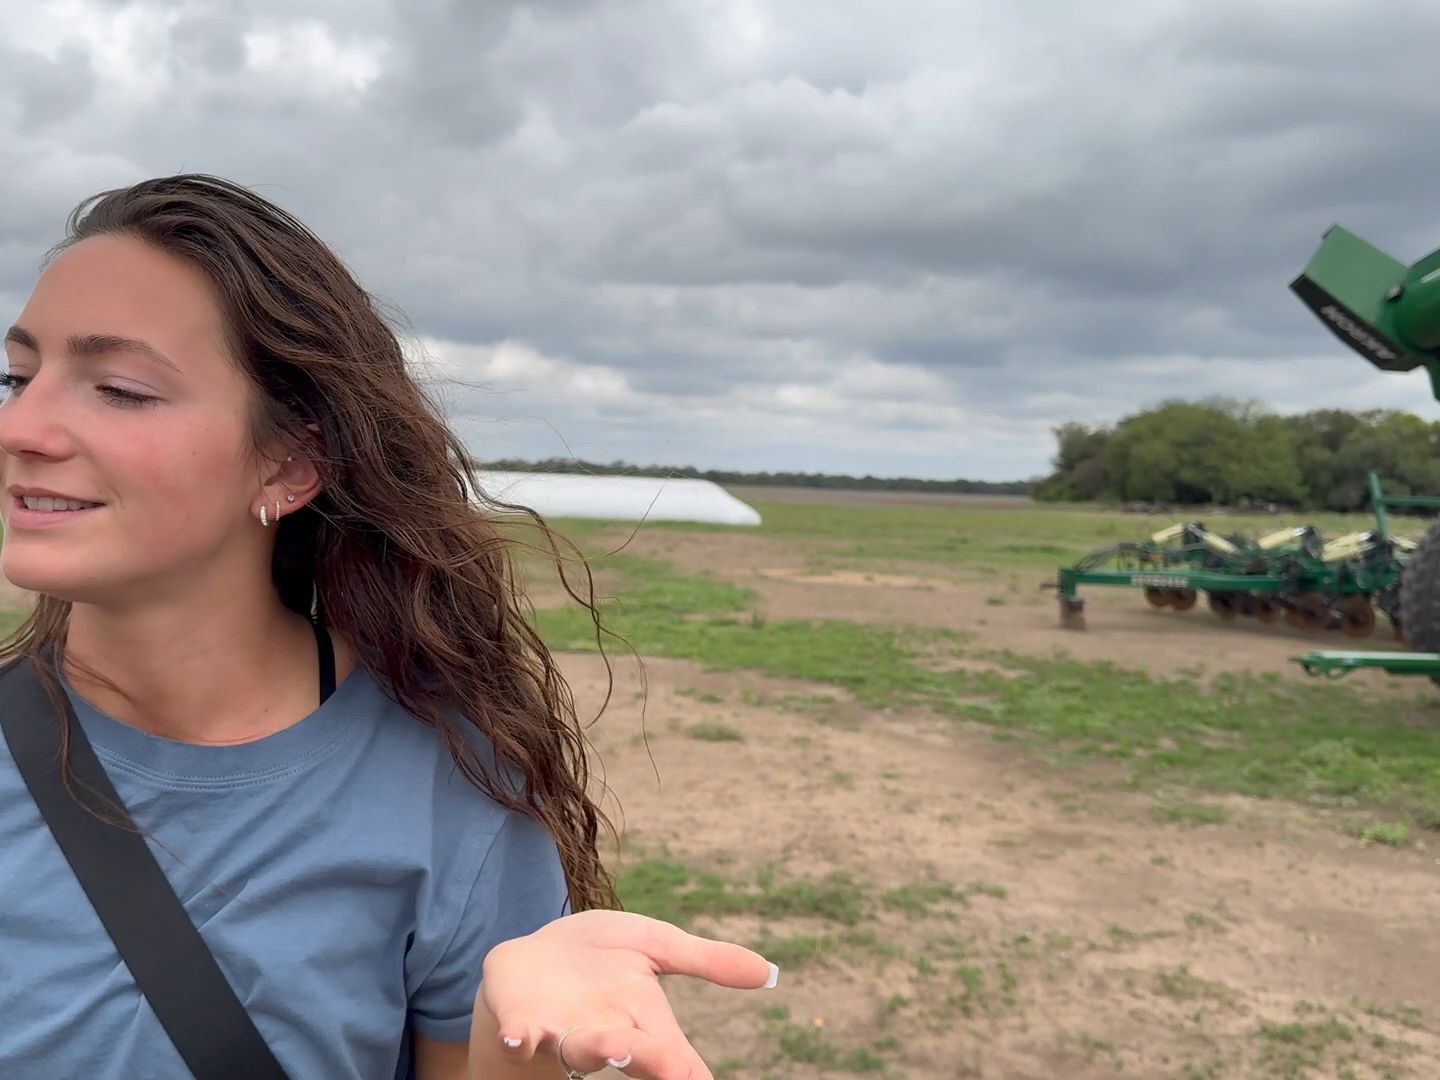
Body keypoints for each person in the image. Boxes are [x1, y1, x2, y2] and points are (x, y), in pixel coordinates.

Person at [0, 174, 777, 1080]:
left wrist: (516, 1044)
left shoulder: (450, 793)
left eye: (121, 389)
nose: (23, 423)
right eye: (16, 376)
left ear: (289, 464)